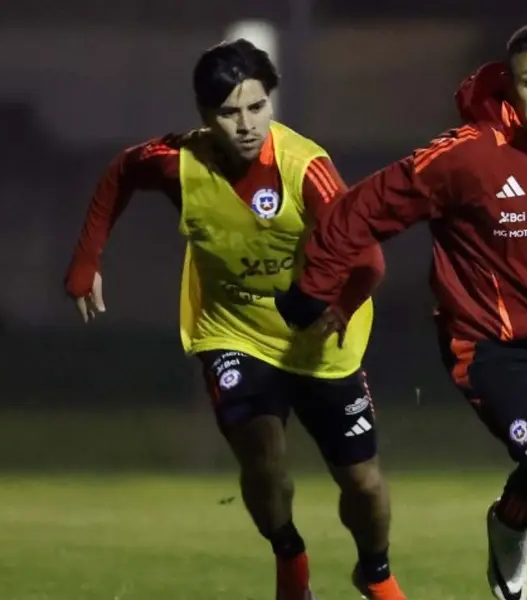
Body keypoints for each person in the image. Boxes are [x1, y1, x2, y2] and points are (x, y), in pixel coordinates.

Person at [276, 22, 527, 600]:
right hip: (490, 350)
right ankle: (509, 521)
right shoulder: (466, 155)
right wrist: (316, 284)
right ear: (512, 84)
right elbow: (361, 209)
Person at [63, 39, 406, 600]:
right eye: (228, 112)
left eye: (256, 106)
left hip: (322, 341)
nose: (246, 124)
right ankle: (290, 559)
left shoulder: (306, 168)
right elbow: (122, 171)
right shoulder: (179, 163)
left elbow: (368, 259)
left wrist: (339, 307)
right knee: (262, 461)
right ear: (204, 115)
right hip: (234, 332)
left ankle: (375, 572)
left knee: (362, 482)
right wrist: (86, 259)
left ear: (270, 101)